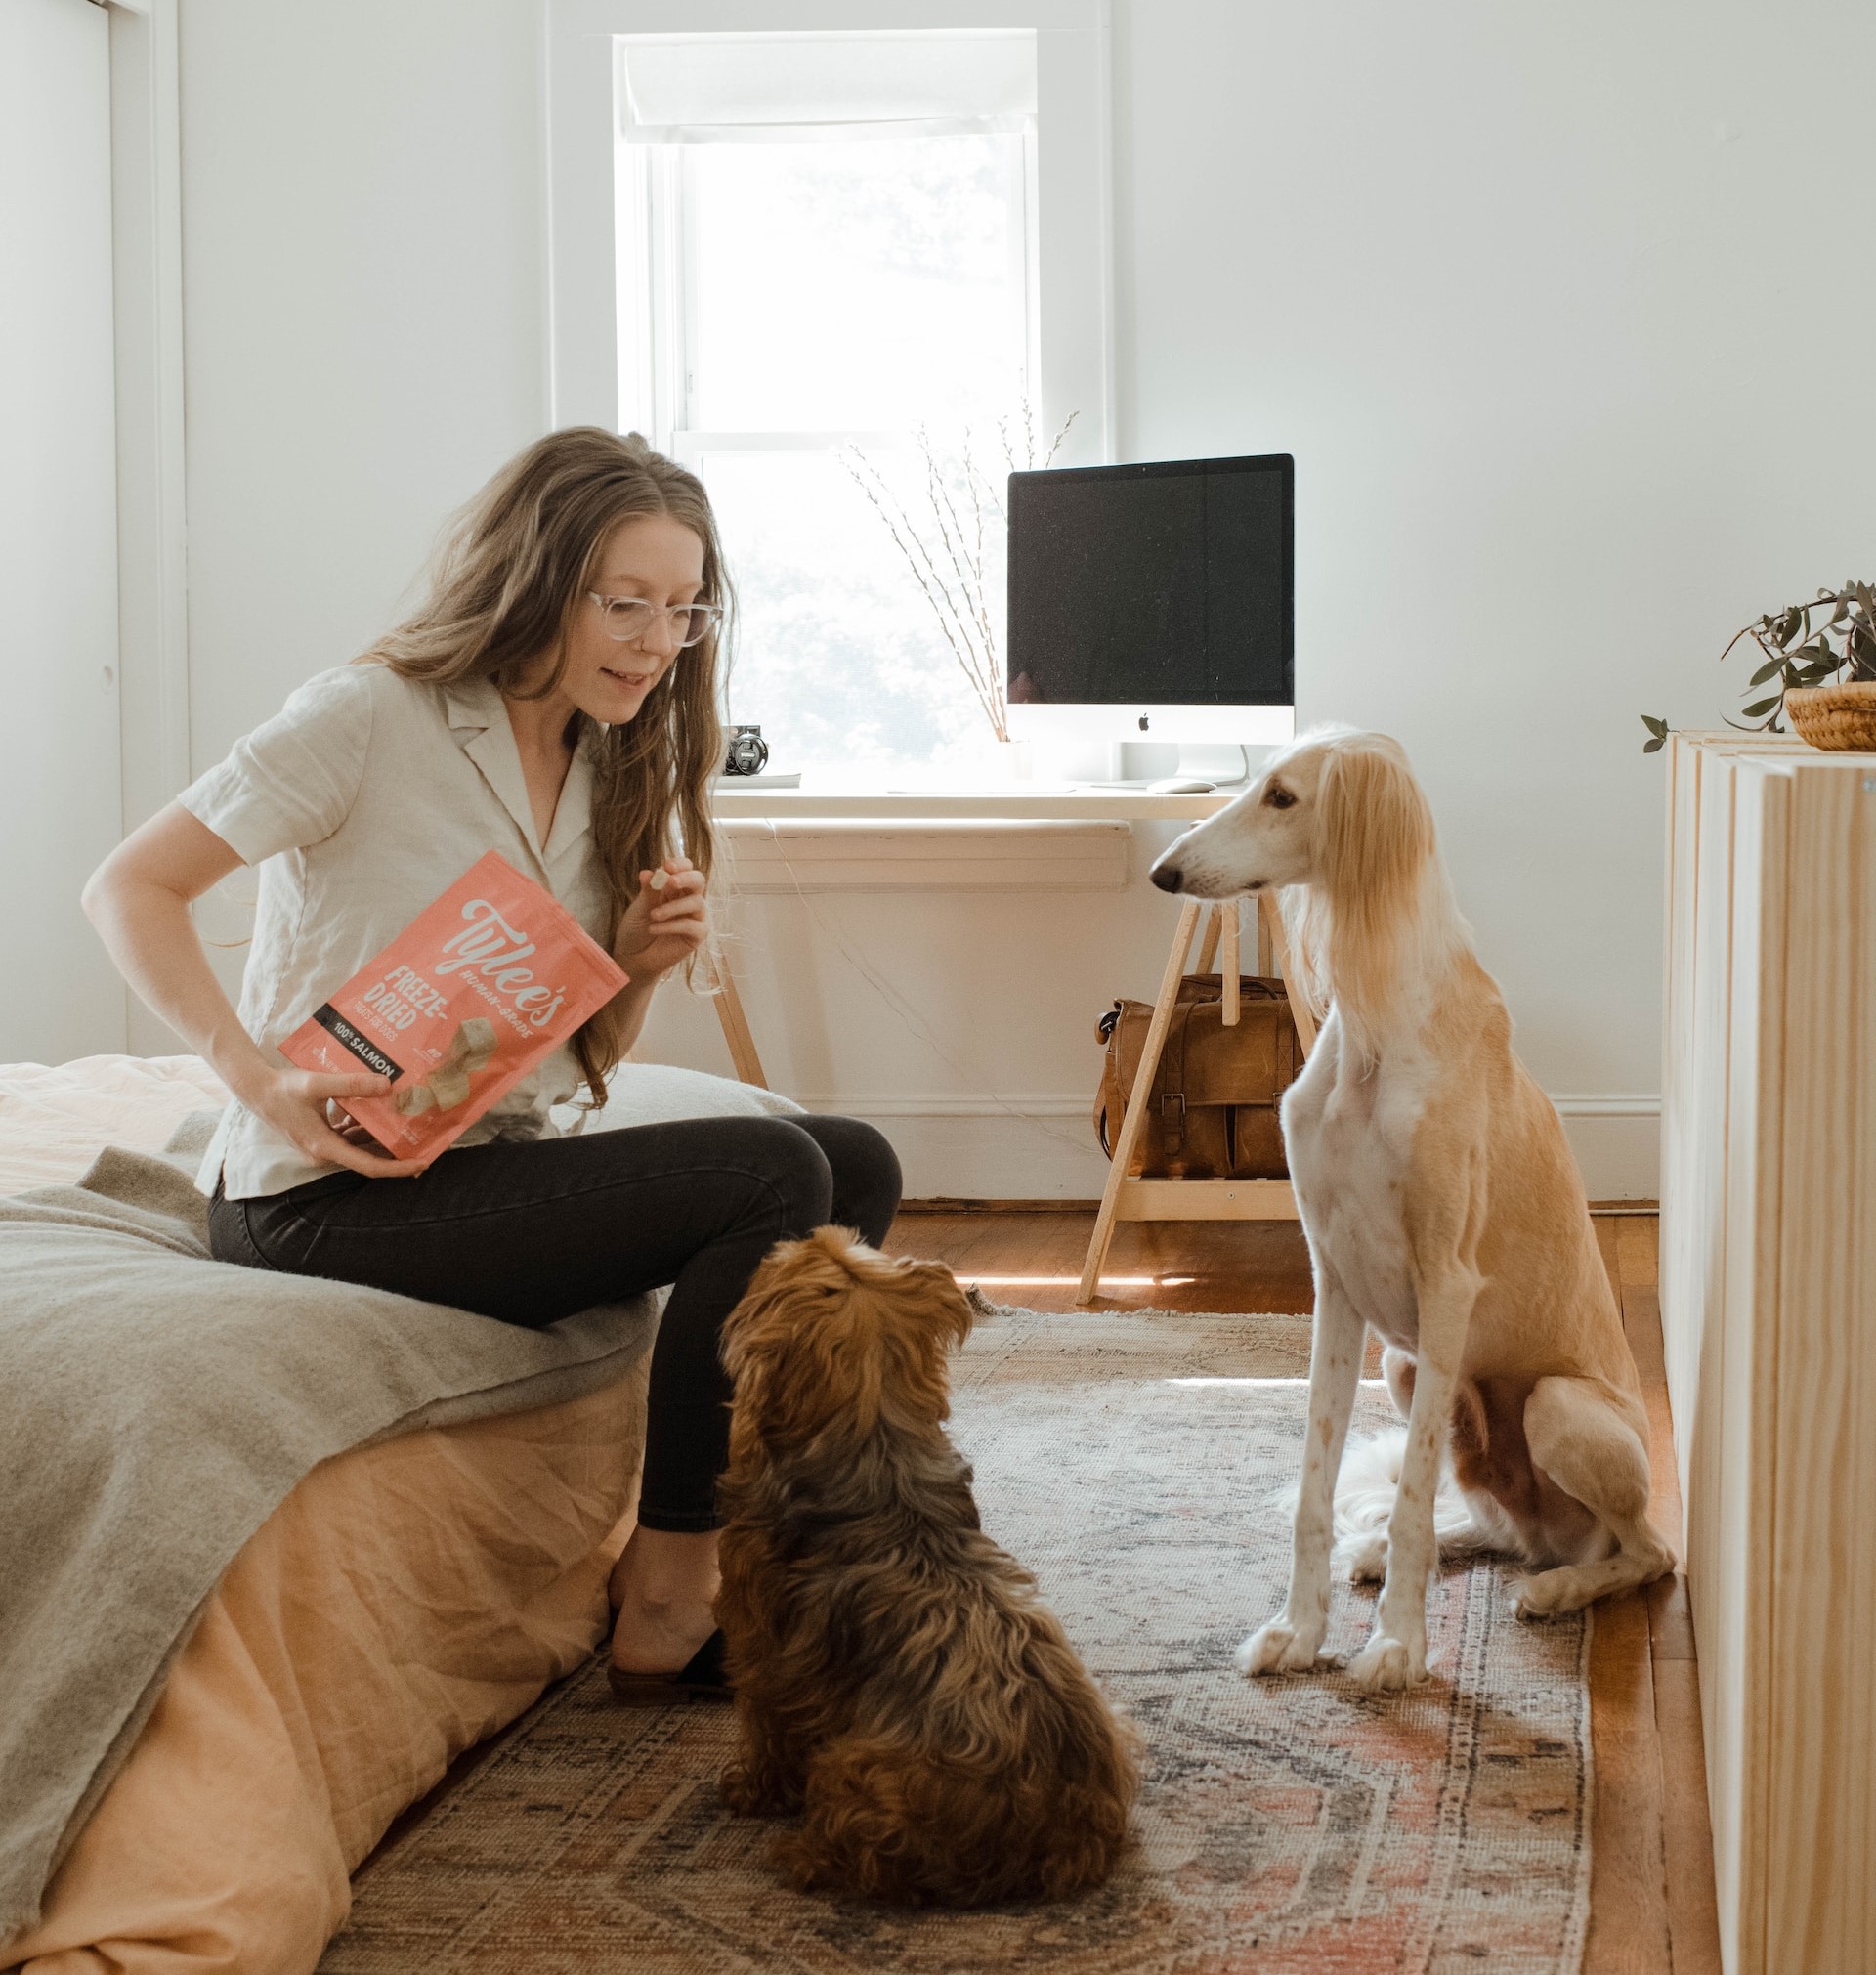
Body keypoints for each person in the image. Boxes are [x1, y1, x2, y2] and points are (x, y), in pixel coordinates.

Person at [81, 427, 902, 1695]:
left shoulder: (605, 761)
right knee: (771, 1171)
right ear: (539, 578)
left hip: (479, 1160)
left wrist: (630, 962)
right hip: (324, 1196)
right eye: (624, 602)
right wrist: (258, 1080)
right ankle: (668, 1596)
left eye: (683, 610)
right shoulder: (369, 716)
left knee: (853, 1162)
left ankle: (778, 1540)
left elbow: (567, 1061)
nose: (657, 641)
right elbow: (129, 886)